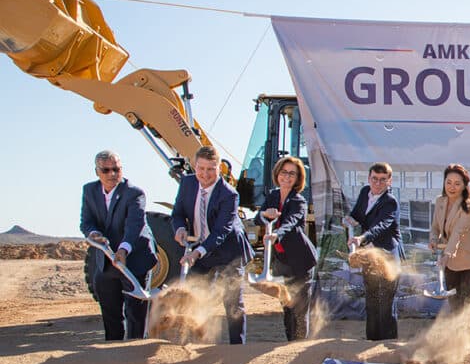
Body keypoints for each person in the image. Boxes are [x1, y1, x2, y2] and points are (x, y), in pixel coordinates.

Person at [171, 145, 253, 344]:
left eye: (211, 169)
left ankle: (237, 348)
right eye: (201, 168)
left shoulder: (229, 194)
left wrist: (197, 252)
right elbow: (178, 213)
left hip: (229, 250)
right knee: (192, 293)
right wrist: (180, 228)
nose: (205, 174)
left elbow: (221, 231)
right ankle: (191, 342)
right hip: (201, 249)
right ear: (195, 166)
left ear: (219, 168)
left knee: (232, 301)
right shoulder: (187, 183)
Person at [79, 150, 159, 341]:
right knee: (110, 311)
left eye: (116, 169)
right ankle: (113, 350)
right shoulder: (89, 191)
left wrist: (123, 249)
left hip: (135, 260)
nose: (112, 174)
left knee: (135, 313)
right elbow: (86, 221)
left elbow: (134, 226)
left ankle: (135, 349)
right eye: (106, 170)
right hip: (106, 261)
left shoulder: (134, 193)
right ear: (97, 172)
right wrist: (93, 233)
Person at [254, 156, 316, 341]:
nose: (287, 177)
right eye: (284, 172)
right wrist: (264, 214)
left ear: (298, 178)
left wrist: (277, 234)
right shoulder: (273, 196)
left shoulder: (299, 201)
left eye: (292, 174)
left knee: (299, 309)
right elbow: (258, 218)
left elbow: (290, 223)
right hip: (282, 261)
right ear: (277, 174)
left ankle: (299, 346)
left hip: (301, 262)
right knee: (287, 306)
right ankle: (290, 343)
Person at [349, 162, 402, 341]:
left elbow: (380, 226)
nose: (378, 183)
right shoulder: (365, 192)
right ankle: (371, 342)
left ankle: (388, 343)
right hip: (369, 257)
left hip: (388, 258)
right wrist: (349, 219)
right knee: (371, 301)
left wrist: (361, 238)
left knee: (386, 303)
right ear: (369, 178)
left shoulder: (390, 202)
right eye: (374, 179)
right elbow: (357, 214)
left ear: (389, 181)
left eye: (382, 180)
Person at [429, 164, 470, 316]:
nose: (452, 187)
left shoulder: (469, 207)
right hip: (450, 264)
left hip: (469, 263)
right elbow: (435, 226)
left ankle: (469, 332)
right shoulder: (440, 201)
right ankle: (456, 332)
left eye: (457, 183)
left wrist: (447, 255)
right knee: (455, 307)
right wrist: (433, 240)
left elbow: (458, 233)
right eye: (448, 182)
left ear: (464, 186)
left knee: (465, 309)